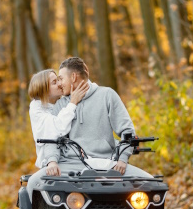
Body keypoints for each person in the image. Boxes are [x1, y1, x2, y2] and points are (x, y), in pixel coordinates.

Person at [27, 58, 152, 201]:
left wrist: (123, 159)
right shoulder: (61, 104)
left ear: (73, 77)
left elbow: (127, 130)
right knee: (34, 182)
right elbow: (53, 137)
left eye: (61, 79)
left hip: (108, 163)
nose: (60, 84)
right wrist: (52, 161)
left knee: (151, 184)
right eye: (57, 81)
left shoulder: (107, 95)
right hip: (70, 165)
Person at [28, 69, 89, 169]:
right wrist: (73, 102)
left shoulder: (61, 103)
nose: (60, 84)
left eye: (58, 80)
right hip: (50, 163)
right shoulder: (37, 109)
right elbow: (58, 128)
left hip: (74, 159)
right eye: (54, 82)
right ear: (44, 90)